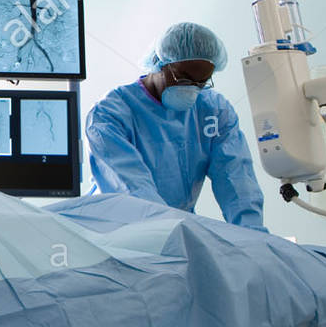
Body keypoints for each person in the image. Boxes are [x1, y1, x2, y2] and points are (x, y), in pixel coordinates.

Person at [86, 22, 266, 230]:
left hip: (176, 230)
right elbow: (133, 190)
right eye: (183, 78)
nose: (192, 88)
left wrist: (252, 235)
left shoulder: (214, 111)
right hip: (114, 231)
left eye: (202, 82)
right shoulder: (109, 114)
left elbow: (237, 180)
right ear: (158, 63)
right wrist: (172, 232)